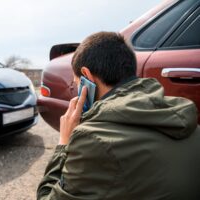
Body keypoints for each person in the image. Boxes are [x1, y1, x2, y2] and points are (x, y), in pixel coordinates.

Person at [37, 32, 200, 200]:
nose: (76, 90)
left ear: (87, 76)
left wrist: (64, 143)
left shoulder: (92, 138)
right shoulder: (188, 122)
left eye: (76, 83)